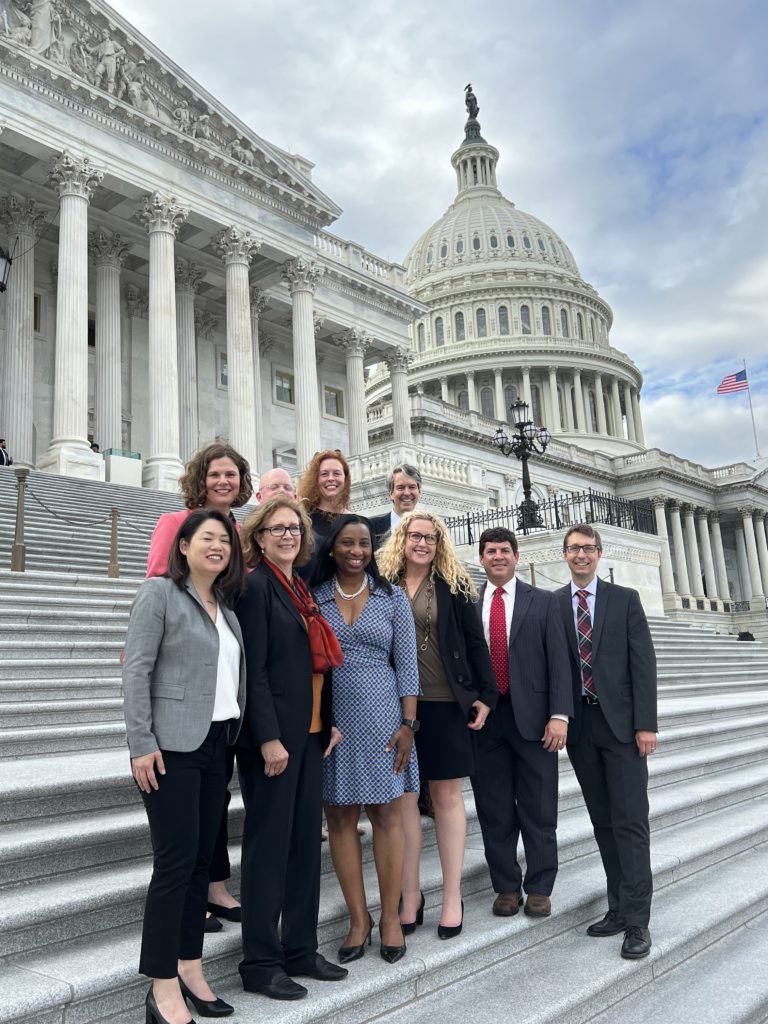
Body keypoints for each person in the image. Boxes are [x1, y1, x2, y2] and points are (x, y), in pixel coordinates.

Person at [122, 509, 246, 1024]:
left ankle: (191, 966)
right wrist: (140, 742)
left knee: (201, 862)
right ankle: (161, 985)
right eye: (207, 538)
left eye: (225, 540)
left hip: (217, 744)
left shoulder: (227, 608)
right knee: (174, 864)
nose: (217, 546)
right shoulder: (160, 594)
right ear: (183, 546)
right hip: (170, 748)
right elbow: (136, 668)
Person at [235, 496, 348, 1000]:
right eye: (277, 529)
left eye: (294, 529)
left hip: (309, 734)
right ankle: (261, 961)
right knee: (269, 848)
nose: (287, 536)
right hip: (275, 740)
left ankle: (300, 948)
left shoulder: (299, 588)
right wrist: (267, 738)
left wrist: (329, 724)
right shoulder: (256, 586)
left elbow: (317, 667)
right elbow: (253, 670)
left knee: (305, 843)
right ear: (259, 537)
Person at [144, 442, 252, 927]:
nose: (223, 482)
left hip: (225, 681)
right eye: (215, 474)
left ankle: (212, 885)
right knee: (182, 817)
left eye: (231, 474)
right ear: (200, 478)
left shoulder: (241, 531)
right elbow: (157, 584)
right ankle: (192, 895)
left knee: (215, 799)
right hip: (186, 677)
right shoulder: (175, 524)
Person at [379, 510, 496, 940]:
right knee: (406, 799)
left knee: (446, 795)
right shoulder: (383, 583)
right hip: (395, 706)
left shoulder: (456, 585)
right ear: (402, 539)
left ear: (439, 543)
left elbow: (473, 642)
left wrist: (486, 696)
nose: (423, 543)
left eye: (430, 537)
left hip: (446, 702)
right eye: (415, 535)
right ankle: (410, 895)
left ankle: (451, 896)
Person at [310, 515, 420, 965]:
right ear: (331, 549)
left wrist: (409, 724)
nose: (357, 551)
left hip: (383, 716)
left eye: (364, 544)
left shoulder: (391, 597)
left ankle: (391, 917)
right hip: (334, 717)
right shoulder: (314, 597)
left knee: (386, 813)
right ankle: (359, 919)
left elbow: (408, 664)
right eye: (347, 543)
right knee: (338, 816)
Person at [556, 524, 658, 960]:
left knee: (631, 822)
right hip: (582, 730)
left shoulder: (625, 600)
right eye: (574, 549)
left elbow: (644, 665)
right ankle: (617, 907)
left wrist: (645, 725)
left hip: (622, 728)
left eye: (588, 548)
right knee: (603, 822)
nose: (581, 555)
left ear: (599, 553)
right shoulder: (554, 605)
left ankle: (637, 922)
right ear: (564, 554)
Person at [472, 527, 572, 920]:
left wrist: (559, 716)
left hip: (534, 721)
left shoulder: (543, 602)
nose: (498, 556)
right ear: (481, 559)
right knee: (494, 808)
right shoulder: (469, 602)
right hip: (486, 721)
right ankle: (506, 887)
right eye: (491, 551)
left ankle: (541, 887)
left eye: (505, 550)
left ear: (516, 557)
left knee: (539, 806)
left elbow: (560, 663)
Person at [296, 449, 352, 579]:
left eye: (337, 473)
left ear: (345, 478)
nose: (331, 479)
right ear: (316, 480)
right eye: (324, 474)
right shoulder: (304, 520)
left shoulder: (357, 521)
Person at [368, 463, 422, 547]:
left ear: (419, 492)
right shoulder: (371, 527)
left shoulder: (429, 528)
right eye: (401, 488)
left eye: (412, 487)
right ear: (391, 494)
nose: (407, 493)